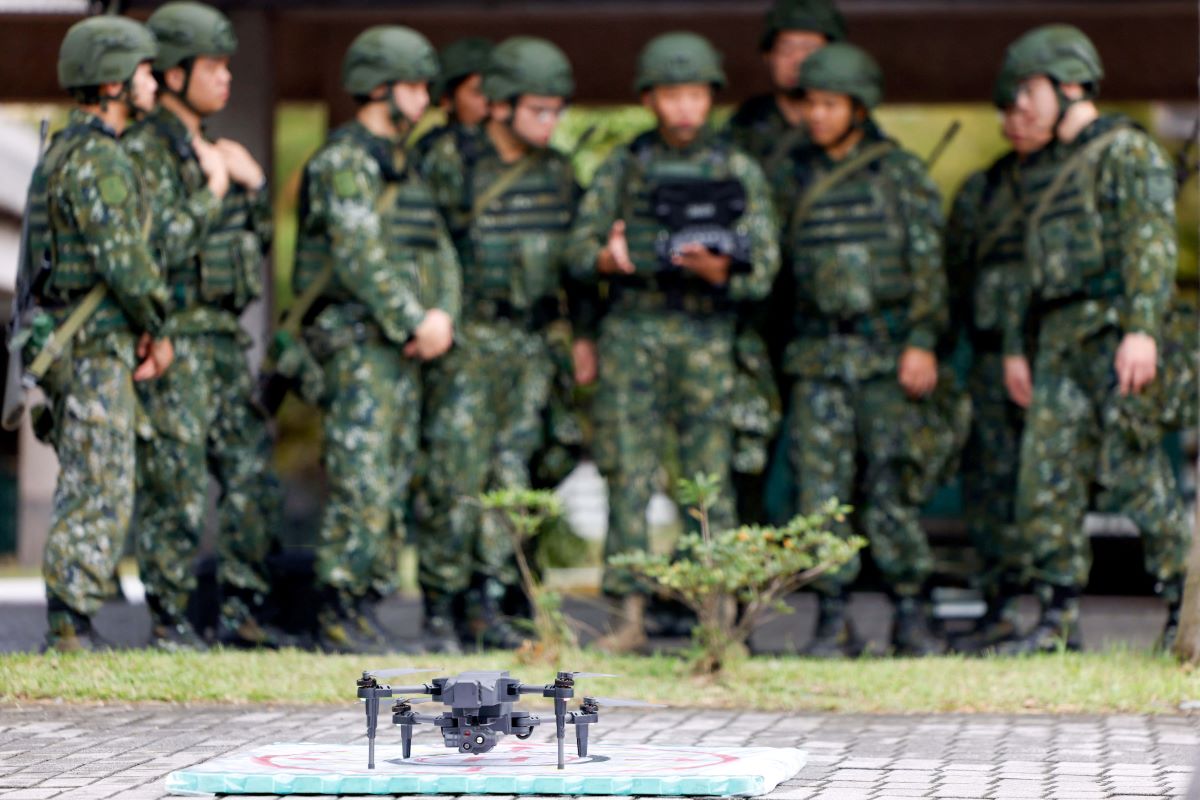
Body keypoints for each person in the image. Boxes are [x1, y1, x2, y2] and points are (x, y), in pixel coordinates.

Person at [567, 31, 780, 653]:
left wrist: (721, 272)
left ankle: (717, 617)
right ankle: (627, 617)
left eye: (695, 95)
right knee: (628, 473)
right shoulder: (625, 166)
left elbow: (766, 267)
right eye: (671, 95)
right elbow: (576, 250)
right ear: (649, 99)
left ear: (710, 98)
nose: (684, 108)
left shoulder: (737, 168)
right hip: (633, 331)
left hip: (707, 335)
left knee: (708, 479)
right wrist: (607, 259)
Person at [998, 25, 1190, 653]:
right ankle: (1056, 621)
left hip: (1114, 333)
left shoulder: (1126, 152)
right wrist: (1018, 346)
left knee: (1137, 475)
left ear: (1071, 85)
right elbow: (1030, 270)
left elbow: (1150, 245)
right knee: (1046, 478)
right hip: (1059, 340)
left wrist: (1141, 329)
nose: (1019, 106)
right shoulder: (1047, 169)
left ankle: (1183, 610)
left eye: (1028, 90)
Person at [772, 42, 948, 657]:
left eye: (830, 104)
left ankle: (909, 610)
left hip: (885, 355)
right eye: (810, 103)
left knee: (892, 486)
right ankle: (832, 617)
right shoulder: (790, 176)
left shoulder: (900, 174)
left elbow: (930, 267)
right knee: (819, 493)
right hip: (818, 357)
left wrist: (923, 341)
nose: (817, 115)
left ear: (859, 106)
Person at [294, 25, 460, 653]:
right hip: (357, 345)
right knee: (360, 477)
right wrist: (414, 319)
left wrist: (442, 315)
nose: (423, 98)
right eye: (413, 85)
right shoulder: (344, 161)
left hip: (398, 348)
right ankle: (339, 609)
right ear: (378, 88)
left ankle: (366, 603)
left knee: (390, 479)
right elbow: (358, 254)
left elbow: (437, 250)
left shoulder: (403, 165)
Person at [123, 0, 283, 651]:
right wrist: (215, 189)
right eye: (213, 67)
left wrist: (254, 186)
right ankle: (170, 620)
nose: (226, 78)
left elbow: (254, 245)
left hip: (223, 338)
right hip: (175, 337)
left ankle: (242, 613)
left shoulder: (219, 151)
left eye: (227, 66)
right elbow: (149, 250)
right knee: (176, 483)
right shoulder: (143, 151)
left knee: (251, 478)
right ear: (174, 73)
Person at [420, 35, 588, 652]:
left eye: (556, 111)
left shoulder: (560, 173)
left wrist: (580, 335)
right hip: (468, 339)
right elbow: (421, 246)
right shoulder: (450, 161)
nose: (550, 122)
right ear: (501, 105)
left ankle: (490, 596)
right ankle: (440, 603)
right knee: (455, 472)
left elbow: (577, 262)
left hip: (532, 342)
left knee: (514, 471)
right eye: (538, 110)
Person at [32, 16, 173, 652]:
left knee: (95, 475)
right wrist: (157, 327)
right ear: (113, 81)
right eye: (145, 71)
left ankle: (73, 619)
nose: (154, 82)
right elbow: (126, 263)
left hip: (82, 342)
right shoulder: (98, 158)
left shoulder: (69, 150)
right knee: (99, 483)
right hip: (94, 346)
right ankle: (70, 625)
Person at [942, 65, 1054, 653]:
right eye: (1006, 111)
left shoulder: (1071, 180)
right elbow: (956, 274)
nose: (1016, 122)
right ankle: (1001, 607)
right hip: (990, 361)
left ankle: (1060, 611)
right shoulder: (982, 191)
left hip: (1058, 357)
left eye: (1025, 109)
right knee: (988, 485)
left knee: (1053, 485)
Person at [726, 0, 846, 173]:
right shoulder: (746, 122)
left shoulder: (851, 126)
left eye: (810, 49)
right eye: (786, 50)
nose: (798, 61)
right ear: (768, 56)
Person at [412, 37, 493, 163]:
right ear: (447, 99)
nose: (488, 100)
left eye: (493, 90)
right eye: (477, 92)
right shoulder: (434, 149)